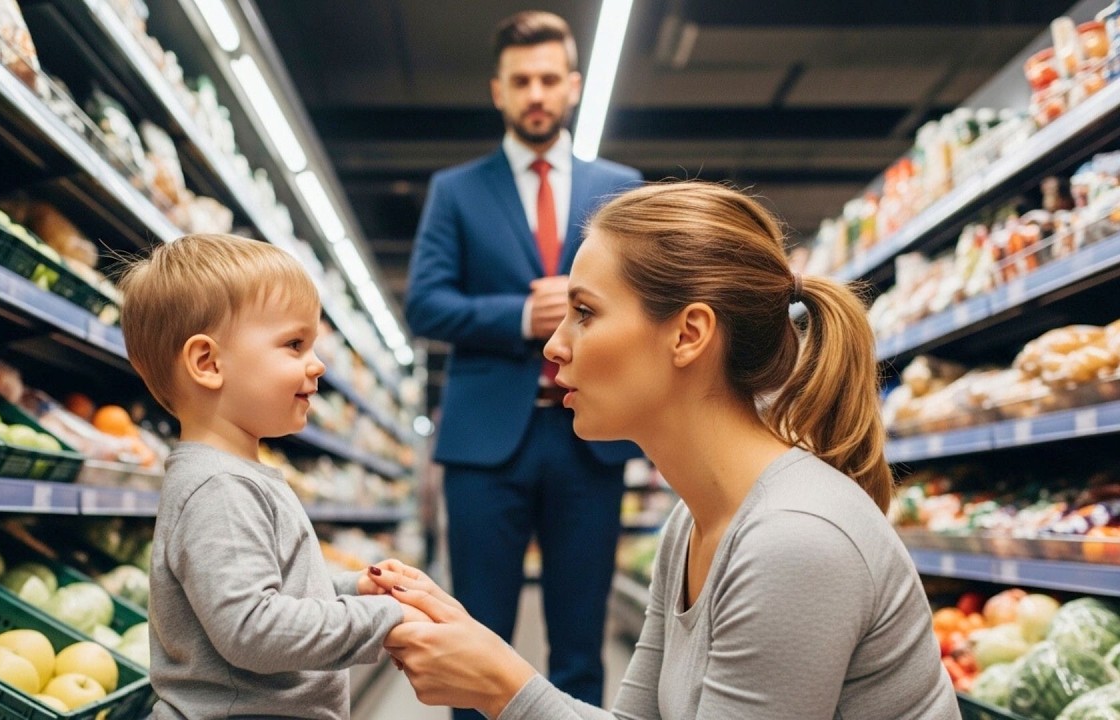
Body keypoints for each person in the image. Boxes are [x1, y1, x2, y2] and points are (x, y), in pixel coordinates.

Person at [373, 182, 962, 719]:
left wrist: (501, 685)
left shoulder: (793, 540)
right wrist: (485, 655)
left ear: (688, 334)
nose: (553, 346)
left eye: (584, 313)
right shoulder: (693, 522)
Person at [403, 11, 642, 716]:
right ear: (498, 91)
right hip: (486, 443)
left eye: (548, 79)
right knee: (471, 636)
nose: (536, 93)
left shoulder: (620, 184)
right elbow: (425, 304)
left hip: (589, 435)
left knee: (581, 640)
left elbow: (641, 298)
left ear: (571, 86)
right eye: (520, 81)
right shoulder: (457, 190)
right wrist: (518, 315)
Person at [117, 233, 425, 720]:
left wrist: (349, 590)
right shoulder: (219, 488)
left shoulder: (235, 475)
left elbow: (267, 591)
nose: (318, 363)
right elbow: (252, 630)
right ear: (208, 362)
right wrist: (385, 620)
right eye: (295, 344)